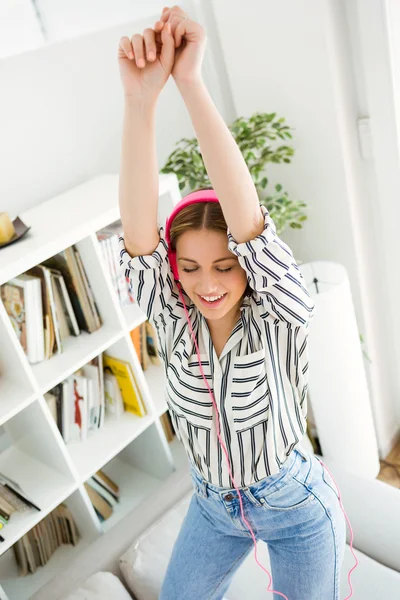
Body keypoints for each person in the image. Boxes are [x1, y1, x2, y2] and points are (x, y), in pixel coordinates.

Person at [117, 6, 347, 600]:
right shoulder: (174, 316)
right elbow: (139, 244)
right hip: (213, 509)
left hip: (296, 510)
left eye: (225, 266)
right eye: (189, 268)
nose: (208, 283)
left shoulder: (278, 311)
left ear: (246, 264)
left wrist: (190, 84)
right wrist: (140, 103)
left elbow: (251, 226)